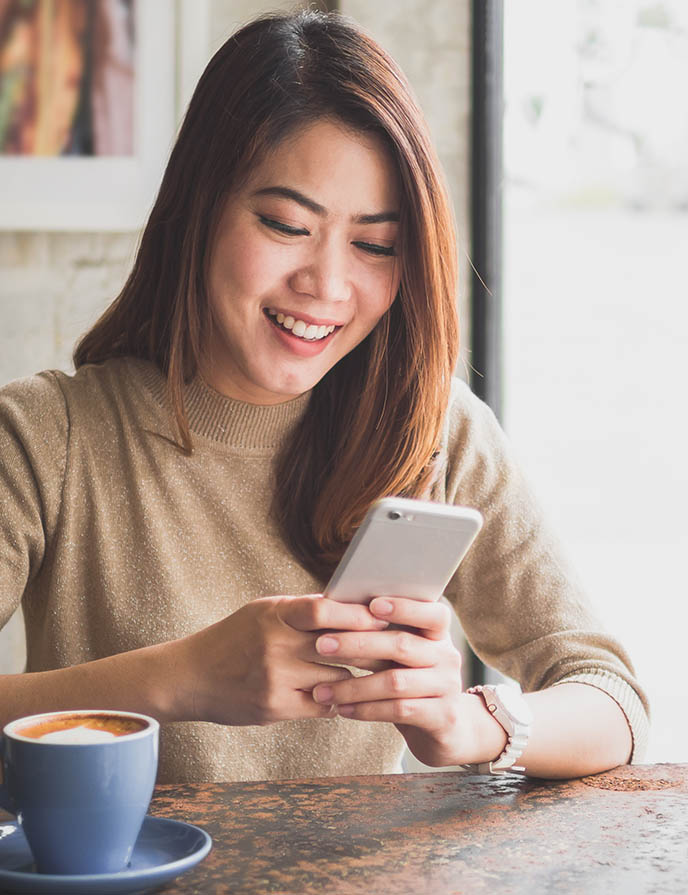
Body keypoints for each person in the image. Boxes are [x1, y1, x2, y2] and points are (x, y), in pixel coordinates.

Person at [0, 10, 648, 783]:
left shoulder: (430, 426)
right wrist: (182, 679)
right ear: (196, 209)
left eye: (375, 244)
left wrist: (468, 720)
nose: (329, 286)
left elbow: (613, 701)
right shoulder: (48, 437)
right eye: (285, 224)